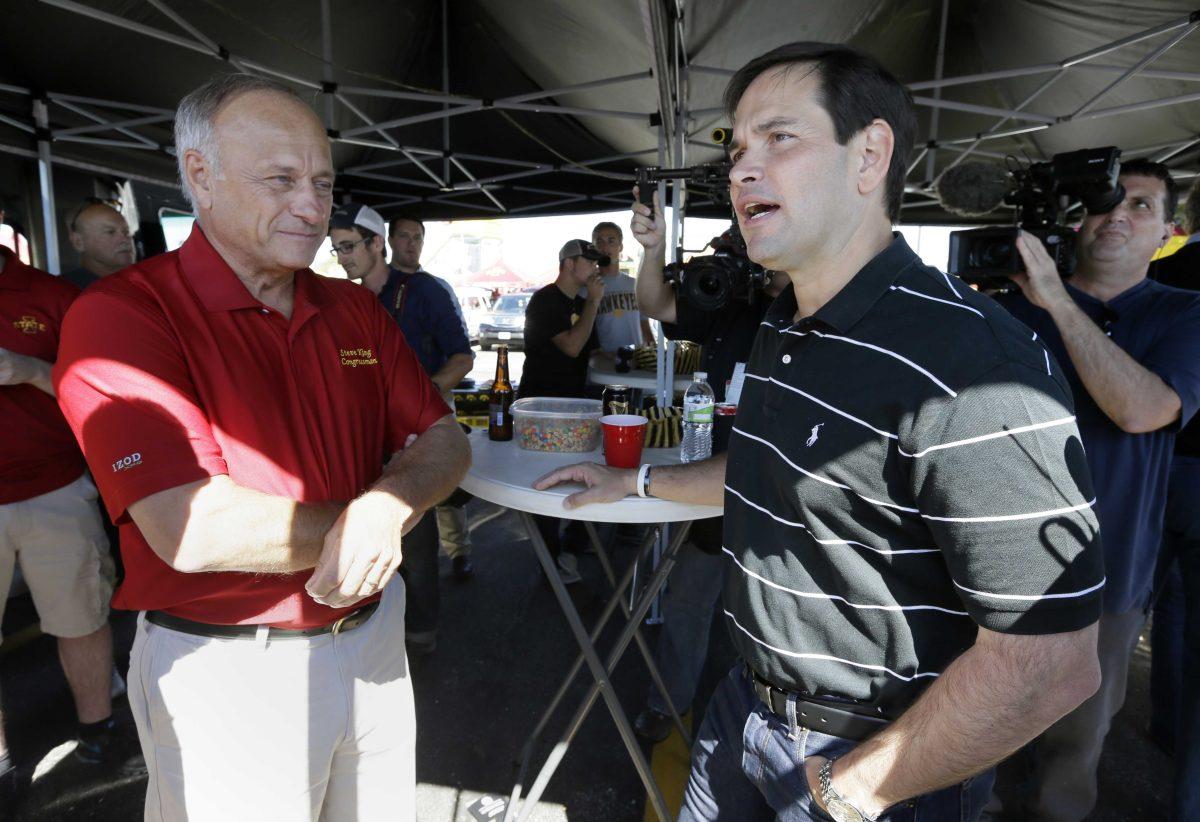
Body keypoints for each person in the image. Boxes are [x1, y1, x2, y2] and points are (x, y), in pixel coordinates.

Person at [535, 42, 1105, 822]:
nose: (740, 170)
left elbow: (1052, 665)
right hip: (741, 712)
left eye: (779, 139)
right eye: (737, 149)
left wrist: (852, 789)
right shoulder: (787, 323)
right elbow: (765, 472)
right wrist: (630, 481)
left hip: (879, 761)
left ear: (869, 155)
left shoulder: (974, 362)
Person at [52, 73, 470, 820]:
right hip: (230, 668)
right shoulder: (121, 316)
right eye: (280, 180)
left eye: (322, 182)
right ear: (199, 176)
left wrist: (386, 504)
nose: (312, 207)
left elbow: (443, 436)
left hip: (371, 638)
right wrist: (363, 520)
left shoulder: (351, 309)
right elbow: (189, 524)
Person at [985, 159, 1200, 822]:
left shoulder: (1183, 312)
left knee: (1069, 761)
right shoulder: (1003, 309)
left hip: (1108, 582)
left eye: (1140, 206)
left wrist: (1057, 302)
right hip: (991, 570)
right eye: (1106, 203)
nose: (1118, 216)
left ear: (1170, 231)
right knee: (975, 746)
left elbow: (1143, 409)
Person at [628, 188, 788, 742]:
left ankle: (768, 728)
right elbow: (653, 303)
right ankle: (666, 705)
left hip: (777, 506)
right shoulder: (728, 305)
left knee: (771, 622)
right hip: (712, 487)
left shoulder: (811, 307)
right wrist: (651, 252)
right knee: (687, 608)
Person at [1, 203, 130, 789]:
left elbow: (100, 385)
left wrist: (29, 369)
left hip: (55, 487)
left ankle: (97, 727)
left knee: (80, 617)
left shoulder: (51, 295)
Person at [1147, 176, 1200, 820]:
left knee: (1149, 610)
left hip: (1162, 465)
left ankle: (1160, 721)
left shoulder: (1170, 275)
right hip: (1171, 461)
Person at [387, 212, 478, 583]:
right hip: (386, 411)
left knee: (445, 484)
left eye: (418, 237)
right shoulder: (372, 290)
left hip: (433, 403)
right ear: (389, 241)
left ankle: (458, 551)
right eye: (405, 236)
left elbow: (462, 356)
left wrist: (428, 393)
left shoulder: (435, 289)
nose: (412, 243)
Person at [520, 239, 605, 584]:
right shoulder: (545, 300)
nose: (596, 268)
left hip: (573, 404)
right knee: (546, 481)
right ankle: (549, 561)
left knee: (580, 475)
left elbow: (593, 350)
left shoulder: (582, 303)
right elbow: (571, 346)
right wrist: (595, 304)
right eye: (590, 261)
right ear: (569, 263)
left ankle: (571, 546)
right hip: (543, 406)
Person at [589, 220, 654, 350]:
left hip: (636, 361)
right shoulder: (587, 288)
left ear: (620, 246)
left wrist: (653, 353)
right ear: (593, 247)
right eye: (599, 241)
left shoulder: (635, 285)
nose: (605, 247)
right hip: (602, 365)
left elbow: (644, 324)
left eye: (611, 241)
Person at [62, 199, 135, 289]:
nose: (125, 239)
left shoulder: (144, 283)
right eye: (110, 232)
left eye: (126, 231)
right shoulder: (64, 292)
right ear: (78, 242)